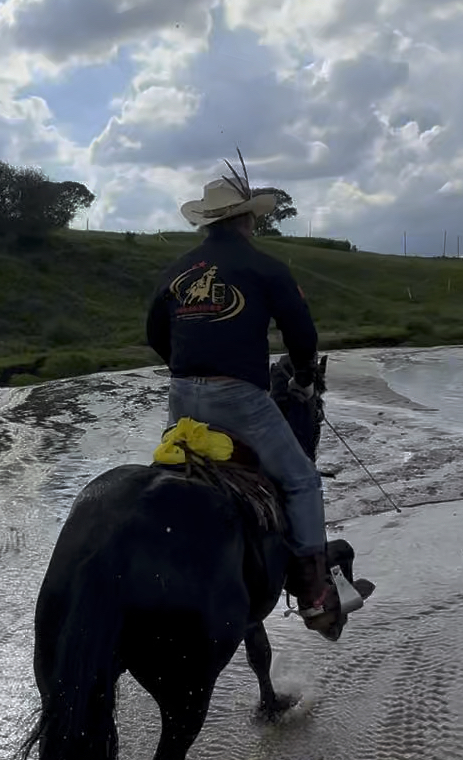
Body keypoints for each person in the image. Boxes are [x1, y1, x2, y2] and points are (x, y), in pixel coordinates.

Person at [145, 159, 334, 635]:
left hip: (182, 398)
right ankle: (313, 592)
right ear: (248, 218)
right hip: (241, 399)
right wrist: (306, 377)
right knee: (300, 479)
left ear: (209, 221)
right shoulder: (265, 267)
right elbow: (301, 333)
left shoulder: (178, 269)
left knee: (176, 467)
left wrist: (184, 369)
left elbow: (153, 330)